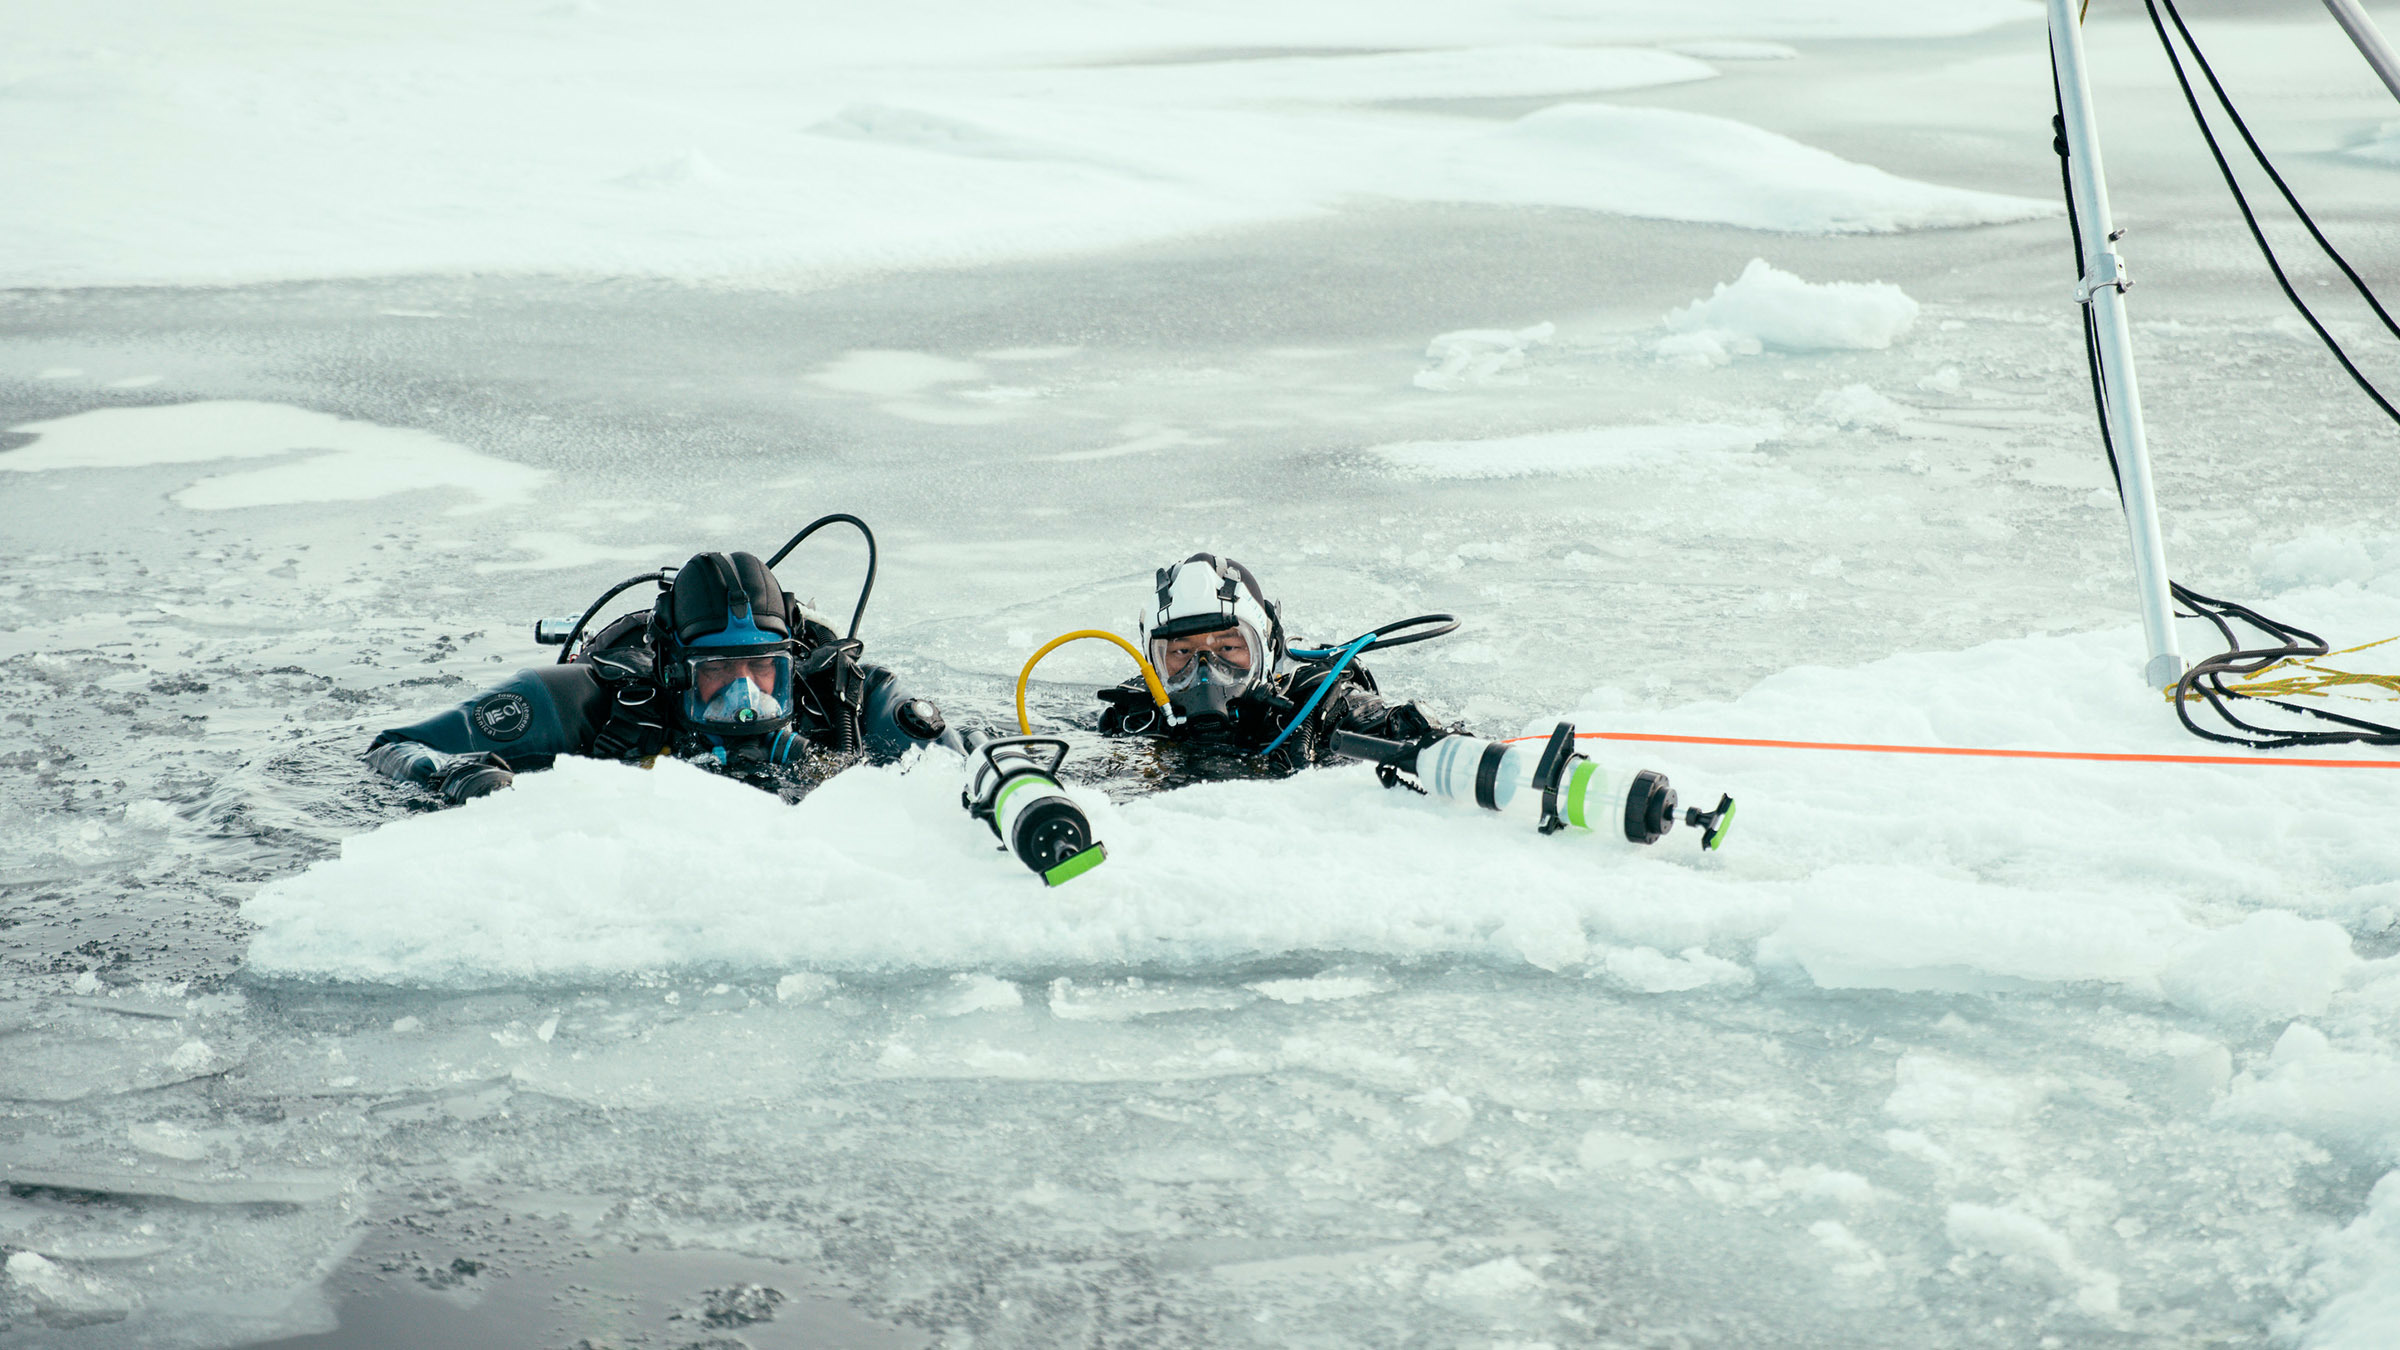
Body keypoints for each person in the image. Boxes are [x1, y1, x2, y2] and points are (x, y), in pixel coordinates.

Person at [366, 549, 955, 804]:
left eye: (764, 670)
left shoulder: (849, 701)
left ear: (791, 661)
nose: (745, 696)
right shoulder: (583, 701)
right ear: (673, 671)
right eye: (718, 672)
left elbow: (967, 766)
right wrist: (461, 777)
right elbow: (394, 746)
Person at [1094, 551, 1450, 771]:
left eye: (1228, 649)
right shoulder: (1134, 719)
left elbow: (1389, 729)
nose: (1205, 672)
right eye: (1181, 653)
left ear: (1267, 647)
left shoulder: (1316, 708)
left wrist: (1410, 729)